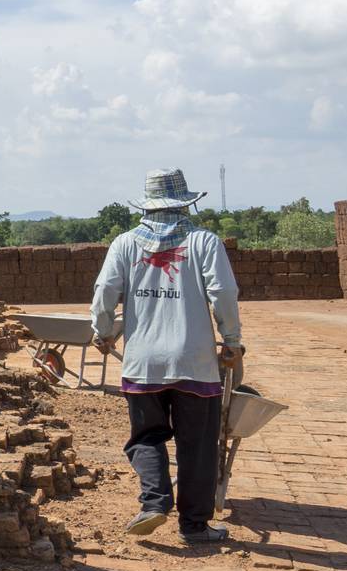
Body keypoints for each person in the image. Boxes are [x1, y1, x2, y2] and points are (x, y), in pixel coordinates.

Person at [90, 168, 244, 544]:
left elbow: (105, 290)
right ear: (185, 202)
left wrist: (103, 331)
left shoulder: (125, 244)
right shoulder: (204, 241)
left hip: (143, 361)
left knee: (146, 437)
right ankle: (194, 525)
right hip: (195, 362)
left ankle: (155, 502)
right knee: (199, 445)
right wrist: (231, 338)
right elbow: (223, 292)